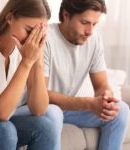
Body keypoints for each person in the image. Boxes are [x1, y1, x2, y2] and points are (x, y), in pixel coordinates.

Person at [44, 0, 130, 150]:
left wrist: (105, 97)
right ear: (66, 15)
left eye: (94, 24)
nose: (90, 31)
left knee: (120, 110)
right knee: (54, 113)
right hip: (45, 109)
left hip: (70, 111)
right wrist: (89, 103)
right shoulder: (46, 38)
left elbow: (101, 84)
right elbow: (41, 94)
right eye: (85, 22)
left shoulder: (94, 40)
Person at [0, 0, 63, 150]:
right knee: (5, 131)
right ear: (10, 18)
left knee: (46, 127)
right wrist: (26, 63)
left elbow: (38, 109)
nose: (33, 40)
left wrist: (37, 60)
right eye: (30, 30)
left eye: (38, 34)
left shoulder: (25, 51)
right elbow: (1, 113)